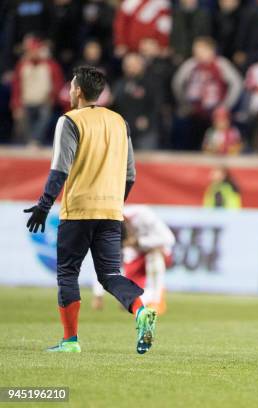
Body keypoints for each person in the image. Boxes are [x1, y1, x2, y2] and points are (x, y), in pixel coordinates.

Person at [23, 66, 157, 354]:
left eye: (72, 87)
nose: (70, 91)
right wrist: (115, 205)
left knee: (68, 274)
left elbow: (60, 169)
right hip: (110, 211)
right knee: (110, 274)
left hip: (79, 210)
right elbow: (130, 173)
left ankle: (70, 341)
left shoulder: (70, 121)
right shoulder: (120, 122)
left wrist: (44, 205)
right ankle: (141, 311)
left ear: (79, 92)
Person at [93, 205, 175, 315]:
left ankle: (157, 299)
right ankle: (148, 295)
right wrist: (98, 294)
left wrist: (139, 242)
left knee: (154, 255)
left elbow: (169, 239)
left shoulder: (144, 216)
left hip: (156, 253)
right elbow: (104, 262)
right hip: (136, 256)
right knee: (133, 298)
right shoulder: (112, 228)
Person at [172, 36, 242, 150]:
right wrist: (185, 104)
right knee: (184, 131)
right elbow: (177, 83)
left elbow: (236, 84)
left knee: (214, 143)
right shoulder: (191, 64)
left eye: (199, 50)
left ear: (210, 50)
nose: (196, 53)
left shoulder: (221, 64)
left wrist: (225, 106)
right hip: (194, 111)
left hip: (214, 113)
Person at [10, 35, 63, 146]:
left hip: (44, 101)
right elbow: (16, 86)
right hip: (26, 101)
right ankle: (30, 142)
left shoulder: (50, 65)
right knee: (22, 121)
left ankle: (35, 141)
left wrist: (53, 97)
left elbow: (58, 82)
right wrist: (16, 105)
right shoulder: (22, 65)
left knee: (45, 118)